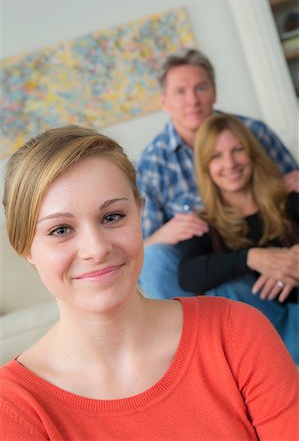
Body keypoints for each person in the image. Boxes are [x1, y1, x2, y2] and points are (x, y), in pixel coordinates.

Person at [1, 125, 298, 440]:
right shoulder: (14, 407)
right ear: (24, 247)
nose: (97, 249)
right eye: (60, 230)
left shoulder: (237, 332)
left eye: (112, 217)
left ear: (139, 212)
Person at [137, 48, 299, 300]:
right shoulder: (153, 164)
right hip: (211, 266)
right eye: (180, 92)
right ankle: (186, 334)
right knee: (156, 258)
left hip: (273, 247)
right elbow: (139, 249)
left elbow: (292, 189)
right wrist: (162, 235)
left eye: (201, 88)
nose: (192, 100)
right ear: (164, 101)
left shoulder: (254, 131)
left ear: (214, 92)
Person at [178, 113, 299, 364]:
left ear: (252, 154)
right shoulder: (204, 223)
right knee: (224, 290)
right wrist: (253, 258)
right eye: (216, 156)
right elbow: (188, 275)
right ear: (205, 167)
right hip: (263, 334)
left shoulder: (287, 199)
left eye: (238, 150)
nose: (230, 163)